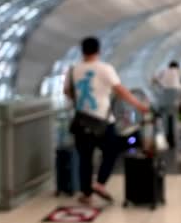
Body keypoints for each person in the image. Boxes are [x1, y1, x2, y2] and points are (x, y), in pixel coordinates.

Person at [64, 37, 149, 205]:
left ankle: (87, 195)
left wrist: (80, 103)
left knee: (85, 159)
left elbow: (67, 91)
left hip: (81, 121)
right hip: (102, 120)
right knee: (112, 151)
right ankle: (100, 183)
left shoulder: (73, 70)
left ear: (82, 51)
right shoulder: (104, 68)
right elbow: (120, 90)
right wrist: (139, 105)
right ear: (98, 50)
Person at [154, 61, 181, 147]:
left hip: (165, 100)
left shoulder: (163, 71)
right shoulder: (179, 71)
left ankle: (168, 138)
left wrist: (160, 85)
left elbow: (154, 79)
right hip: (177, 100)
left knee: (166, 120)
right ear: (177, 66)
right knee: (180, 117)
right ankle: (180, 135)